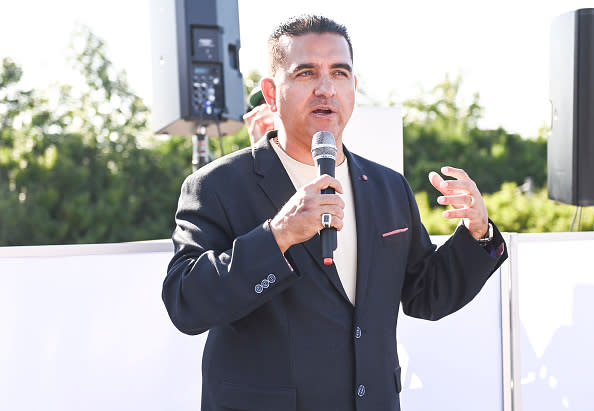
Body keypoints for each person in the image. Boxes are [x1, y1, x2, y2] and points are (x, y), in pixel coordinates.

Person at [163, 14, 507, 411]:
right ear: (272, 93)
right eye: (307, 73)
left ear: (353, 89)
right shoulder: (218, 185)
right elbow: (186, 303)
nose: (326, 89)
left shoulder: (388, 187)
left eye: (339, 73)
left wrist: (478, 232)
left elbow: (425, 295)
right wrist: (279, 234)